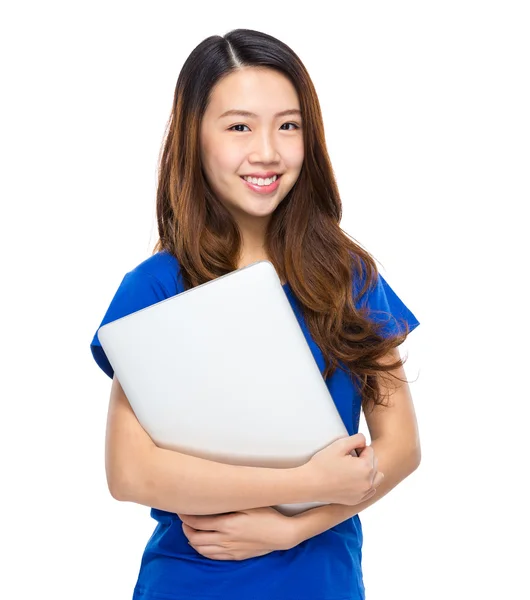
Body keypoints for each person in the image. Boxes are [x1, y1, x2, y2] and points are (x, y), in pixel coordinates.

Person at [90, 28, 421, 600]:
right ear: (195, 136)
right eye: (240, 126)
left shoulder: (348, 276)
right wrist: (306, 482)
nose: (266, 151)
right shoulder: (156, 287)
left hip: (321, 580)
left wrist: (291, 527)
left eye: (287, 125)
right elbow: (130, 473)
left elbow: (402, 446)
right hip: (189, 580)